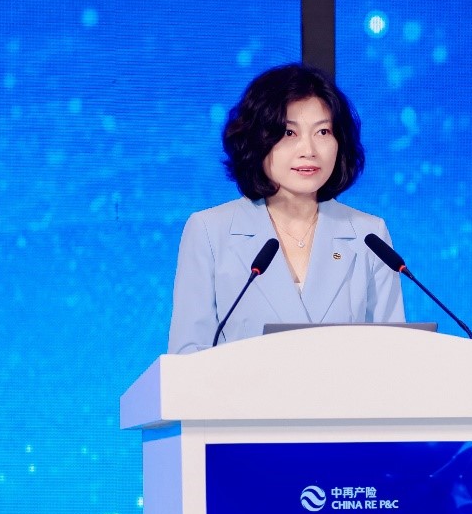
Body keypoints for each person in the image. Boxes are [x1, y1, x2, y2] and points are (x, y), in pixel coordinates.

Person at [167, 63, 406, 353]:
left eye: (323, 132)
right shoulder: (209, 231)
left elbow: (394, 355)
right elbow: (187, 356)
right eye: (289, 133)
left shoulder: (369, 235)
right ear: (257, 139)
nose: (309, 150)